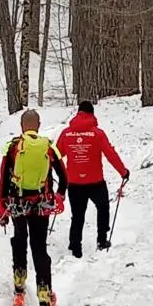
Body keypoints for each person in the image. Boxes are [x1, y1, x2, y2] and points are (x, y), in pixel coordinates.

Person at [0, 109, 68, 306]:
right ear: (38, 125)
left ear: (21, 126)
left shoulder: (12, 147)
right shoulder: (48, 147)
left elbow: (3, 180)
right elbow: (63, 177)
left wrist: (3, 208)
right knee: (39, 247)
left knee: (19, 240)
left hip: (18, 204)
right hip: (41, 205)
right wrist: (59, 197)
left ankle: (19, 290)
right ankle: (44, 298)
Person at [56, 100, 129, 258]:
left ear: (78, 113)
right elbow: (110, 154)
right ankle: (102, 240)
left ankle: (75, 246)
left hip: (74, 183)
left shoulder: (66, 133)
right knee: (103, 209)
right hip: (95, 182)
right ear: (92, 114)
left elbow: (56, 155)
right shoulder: (98, 133)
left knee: (77, 215)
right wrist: (123, 172)